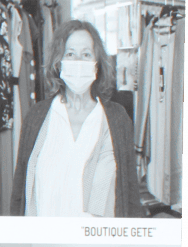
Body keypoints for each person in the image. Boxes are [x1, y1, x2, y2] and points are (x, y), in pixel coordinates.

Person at [12, 20, 142, 218]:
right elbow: (19, 191)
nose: (78, 61)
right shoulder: (36, 117)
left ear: (97, 64)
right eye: (70, 54)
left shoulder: (117, 119)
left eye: (86, 54)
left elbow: (131, 193)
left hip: (94, 237)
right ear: (58, 62)